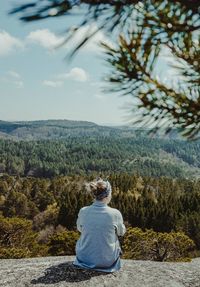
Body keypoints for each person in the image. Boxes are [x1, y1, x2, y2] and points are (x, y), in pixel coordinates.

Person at [73, 178, 126, 272]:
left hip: (84, 259)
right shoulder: (115, 213)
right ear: (107, 196)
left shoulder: (83, 211)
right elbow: (121, 233)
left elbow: (80, 229)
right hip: (107, 262)